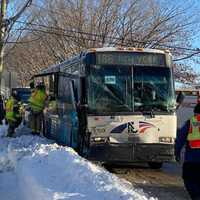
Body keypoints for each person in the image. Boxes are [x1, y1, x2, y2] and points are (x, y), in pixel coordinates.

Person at [175, 103, 200, 200]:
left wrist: (176, 153)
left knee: (190, 182)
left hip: (192, 161)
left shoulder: (191, 123)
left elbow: (180, 140)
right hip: (192, 162)